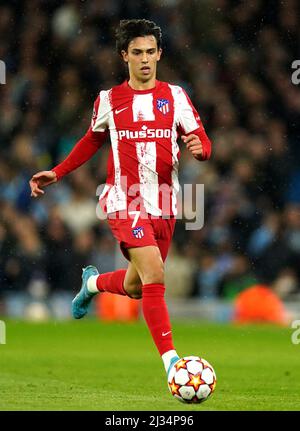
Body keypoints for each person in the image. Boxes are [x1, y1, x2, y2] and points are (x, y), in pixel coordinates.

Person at [29, 19, 212, 379]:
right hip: (124, 200)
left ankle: (93, 284)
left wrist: (201, 150)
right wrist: (59, 171)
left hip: (165, 203)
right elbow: (92, 139)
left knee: (137, 286)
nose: (145, 59)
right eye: (137, 53)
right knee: (155, 273)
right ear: (123, 56)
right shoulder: (109, 100)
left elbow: (202, 140)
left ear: (159, 54)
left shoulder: (175, 97)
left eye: (150, 52)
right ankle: (172, 363)